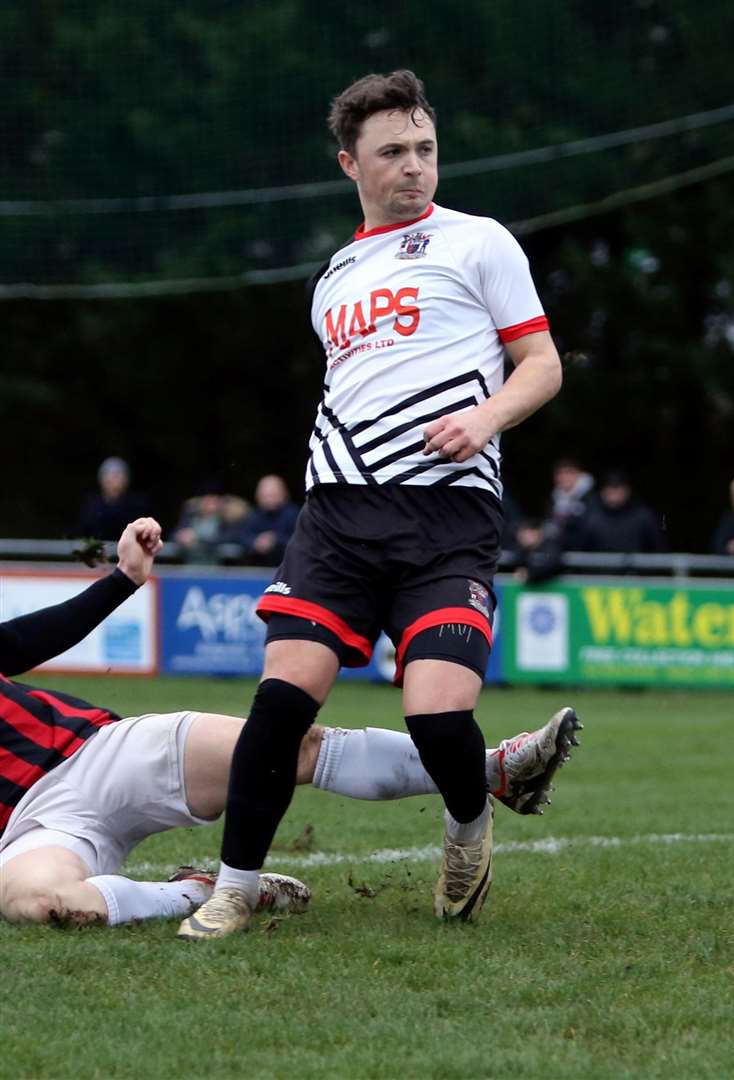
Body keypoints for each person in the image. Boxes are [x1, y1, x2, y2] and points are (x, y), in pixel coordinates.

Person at [180, 69, 565, 941]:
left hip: (447, 521)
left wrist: (486, 418)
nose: (414, 167)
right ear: (350, 162)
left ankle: (468, 825)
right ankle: (234, 888)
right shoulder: (334, 277)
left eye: (426, 149)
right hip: (337, 522)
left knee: (435, 715)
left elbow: (542, 364)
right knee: (280, 706)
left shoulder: (481, 242)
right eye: (393, 152)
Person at [0, 520, 584, 929]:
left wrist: (124, 579)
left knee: (291, 743)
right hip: (32, 833)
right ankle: (198, 893)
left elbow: (21, 642)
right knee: (41, 904)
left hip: (99, 754)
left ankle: (493, 770)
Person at [572, 471, 665, 555]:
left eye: (618, 487)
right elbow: (577, 548)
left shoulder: (644, 517)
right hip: (597, 572)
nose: (613, 492)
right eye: (609, 488)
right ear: (602, 492)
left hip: (634, 572)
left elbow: (658, 548)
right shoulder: (589, 517)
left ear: (628, 490)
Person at [76, 457, 153, 542]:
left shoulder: (137, 505)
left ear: (126, 480)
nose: (112, 481)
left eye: (117, 476)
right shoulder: (91, 505)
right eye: (108, 475)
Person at [171, 485, 251, 564]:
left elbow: (230, 538)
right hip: (189, 565)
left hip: (215, 568)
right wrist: (180, 537)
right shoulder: (190, 517)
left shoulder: (226, 520)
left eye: (213, 500)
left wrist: (198, 539)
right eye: (207, 499)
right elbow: (174, 535)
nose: (209, 504)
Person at [236, 474, 301, 567]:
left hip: (288, 568)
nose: (269, 499)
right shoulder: (253, 515)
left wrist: (275, 540)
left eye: (273, 494)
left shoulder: (295, 515)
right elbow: (241, 537)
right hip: (257, 569)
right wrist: (256, 541)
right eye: (265, 495)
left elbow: (301, 541)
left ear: (284, 494)